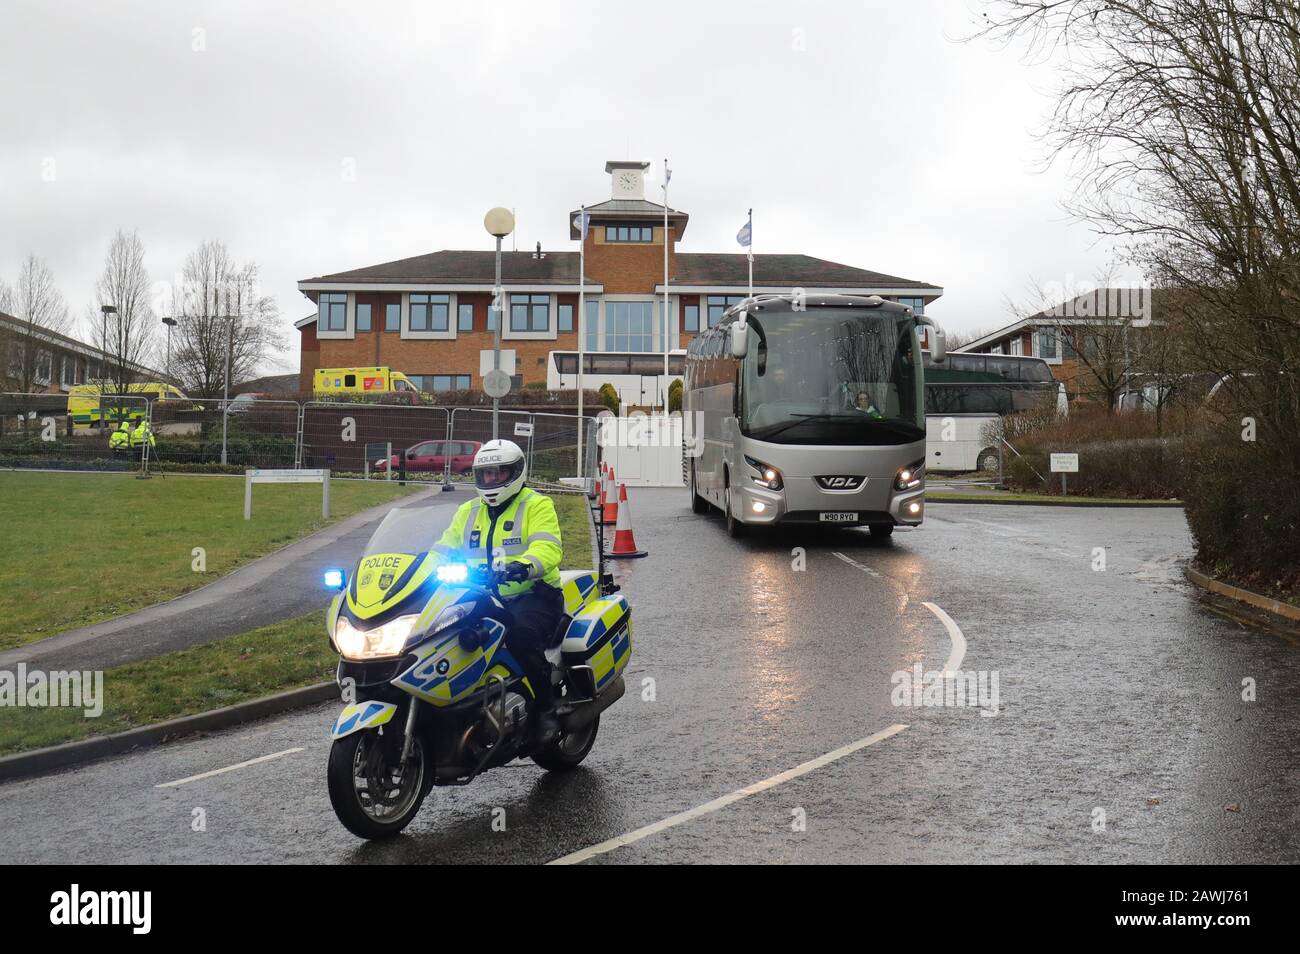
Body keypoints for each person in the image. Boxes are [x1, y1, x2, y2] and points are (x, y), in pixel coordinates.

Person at [431, 439, 565, 743]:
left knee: (520, 634)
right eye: (486, 474)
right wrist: (419, 570)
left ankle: (546, 709)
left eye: (498, 474)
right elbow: (443, 547)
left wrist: (524, 566)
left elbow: (548, 547)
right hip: (479, 597)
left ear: (515, 472)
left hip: (533, 595)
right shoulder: (467, 511)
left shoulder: (536, 504)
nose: (491, 480)